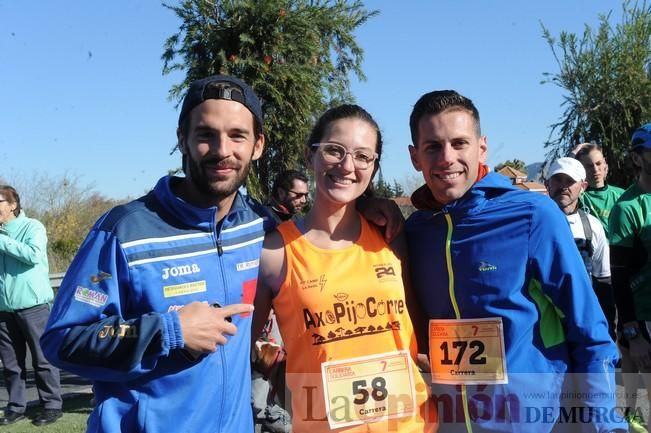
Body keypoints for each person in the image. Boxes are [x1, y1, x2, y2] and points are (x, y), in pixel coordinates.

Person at [40, 75, 403, 433]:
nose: (222, 150)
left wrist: (369, 203)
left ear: (257, 145)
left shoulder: (260, 228)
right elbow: (62, 340)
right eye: (206, 135)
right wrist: (169, 331)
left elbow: (327, 227)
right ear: (182, 138)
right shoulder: (124, 230)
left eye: (237, 136)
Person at [405, 90, 625, 432]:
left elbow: (590, 329)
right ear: (415, 156)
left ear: (482, 147)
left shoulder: (532, 215)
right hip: (448, 421)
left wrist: (604, 422)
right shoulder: (413, 231)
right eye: (433, 146)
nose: (447, 158)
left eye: (460, 143)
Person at [253, 104, 436, 432]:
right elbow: (242, 352)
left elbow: (416, 326)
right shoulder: (274, 251)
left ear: (374, 166)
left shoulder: (391, 235)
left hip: (413, 425)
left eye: (363, 156)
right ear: (310, 157)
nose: (348, 165)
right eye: (334, 150)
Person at [0, 185, 63, 426]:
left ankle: (51, 405)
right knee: (11, 364)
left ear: (13, 204)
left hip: (33, 306)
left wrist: (2, 240)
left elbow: (33, 255)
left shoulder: (32, 227)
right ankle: (16, 407)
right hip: (3, 309)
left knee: (42, 359)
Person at [545, 157, 616, 341]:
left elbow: (603, 280)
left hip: (583, 319)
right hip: (544, 323)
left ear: (583, 186)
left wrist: (606, 330)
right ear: (547, 184)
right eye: (558, 180)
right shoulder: (533, 225)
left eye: (570, 181)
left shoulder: (593, 227)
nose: (563, 186)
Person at [610, 123, 651, 431]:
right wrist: (631, 335)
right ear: (638, 158)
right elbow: (619, 278)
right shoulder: (627, 207)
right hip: (645, 318)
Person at [570, 142, 625, 232]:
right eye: (589, 166)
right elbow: (564, 177)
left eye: (598, 163)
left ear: (605, 164)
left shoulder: (622, 195)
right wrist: (572, 154)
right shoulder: (578, 196)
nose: (595, 169)